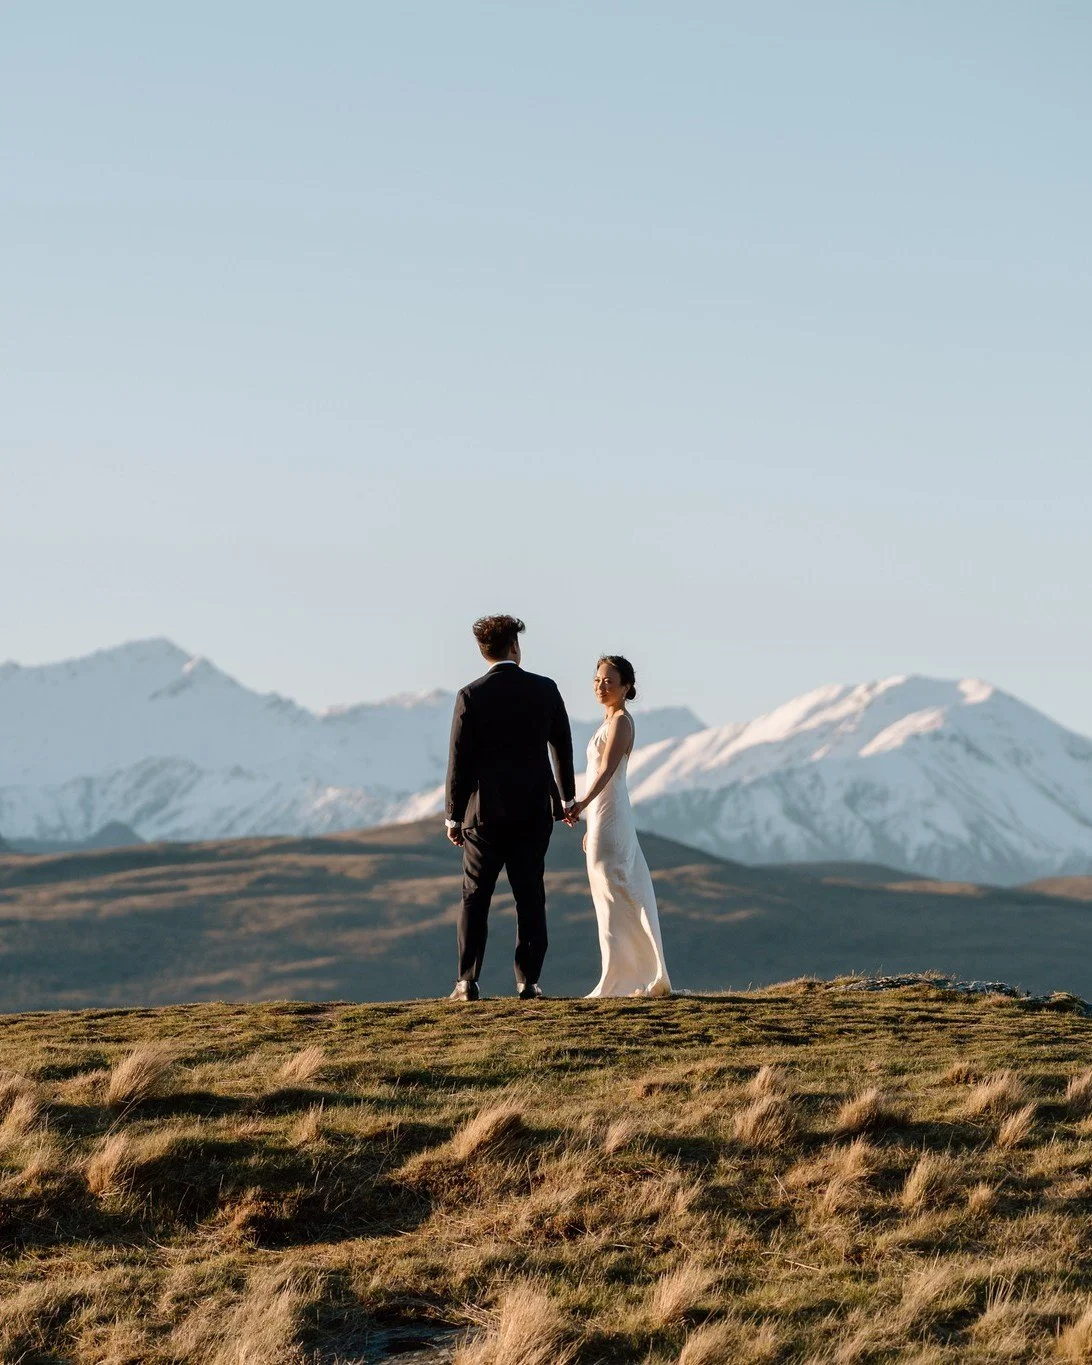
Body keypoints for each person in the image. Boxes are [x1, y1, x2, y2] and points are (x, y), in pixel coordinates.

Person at [444, 615, 576, 1000]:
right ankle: (528, 982)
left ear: (483, 651)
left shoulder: (471, 695)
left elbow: (459, 760)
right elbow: (561, 748)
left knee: (475, 896)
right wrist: (566, 798)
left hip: (483, 814)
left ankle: (467, 982)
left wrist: (453, 815)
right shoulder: (545, 689)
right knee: (529, 894)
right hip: (534, 810)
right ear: (514, 648)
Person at [565, 656, 672, 998]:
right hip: (602, 816)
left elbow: (607, 770)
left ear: (626, 687)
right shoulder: (607, 722)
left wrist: (582, 805)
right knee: (607, 894)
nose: (601, 686)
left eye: (610, 681)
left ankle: (626, 977)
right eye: (598, 680)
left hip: (611, 816)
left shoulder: (621, 722)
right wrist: (589, 821)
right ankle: (622, 974)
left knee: (617, 890)